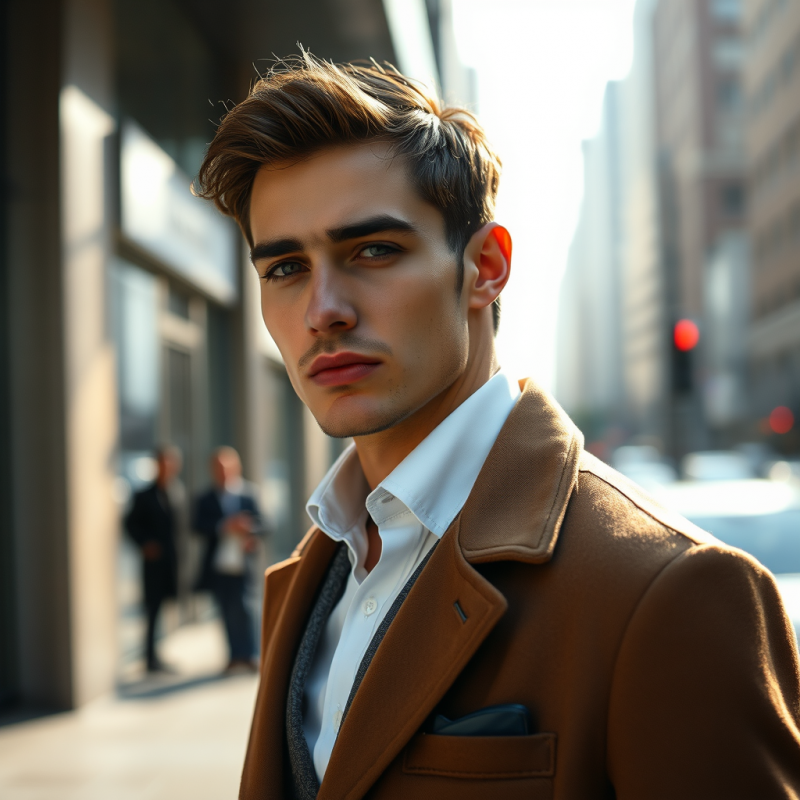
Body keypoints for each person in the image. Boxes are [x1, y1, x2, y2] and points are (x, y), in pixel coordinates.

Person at [196, 54, 800, 798]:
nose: (323, 310)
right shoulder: (308, 575)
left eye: (372, 251)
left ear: (485, 267)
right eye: (285, 268)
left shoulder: (671, 591)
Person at [193, 446, 264, 671]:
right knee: (225, 610)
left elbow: (265, 523)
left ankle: (250, 654)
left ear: (236, 468)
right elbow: (196, 526)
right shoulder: (205, 498)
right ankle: (234, 656)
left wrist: (250, 531)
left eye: (226, 468)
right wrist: (224, 526)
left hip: (244, 562)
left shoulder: (248, 494)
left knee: (247, 608)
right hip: (219, 565)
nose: (223, 473)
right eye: (218, 468)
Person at [124, 446, 182, 673]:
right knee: (152, 610)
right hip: (153, 565)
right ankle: (149, 658)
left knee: (164, 610)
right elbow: (129, 524)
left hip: (171, 563)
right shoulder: (144, 495)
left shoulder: (177, 492)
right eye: (164, 463)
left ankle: (158, 654)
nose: (168, 468)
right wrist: (145, 543)